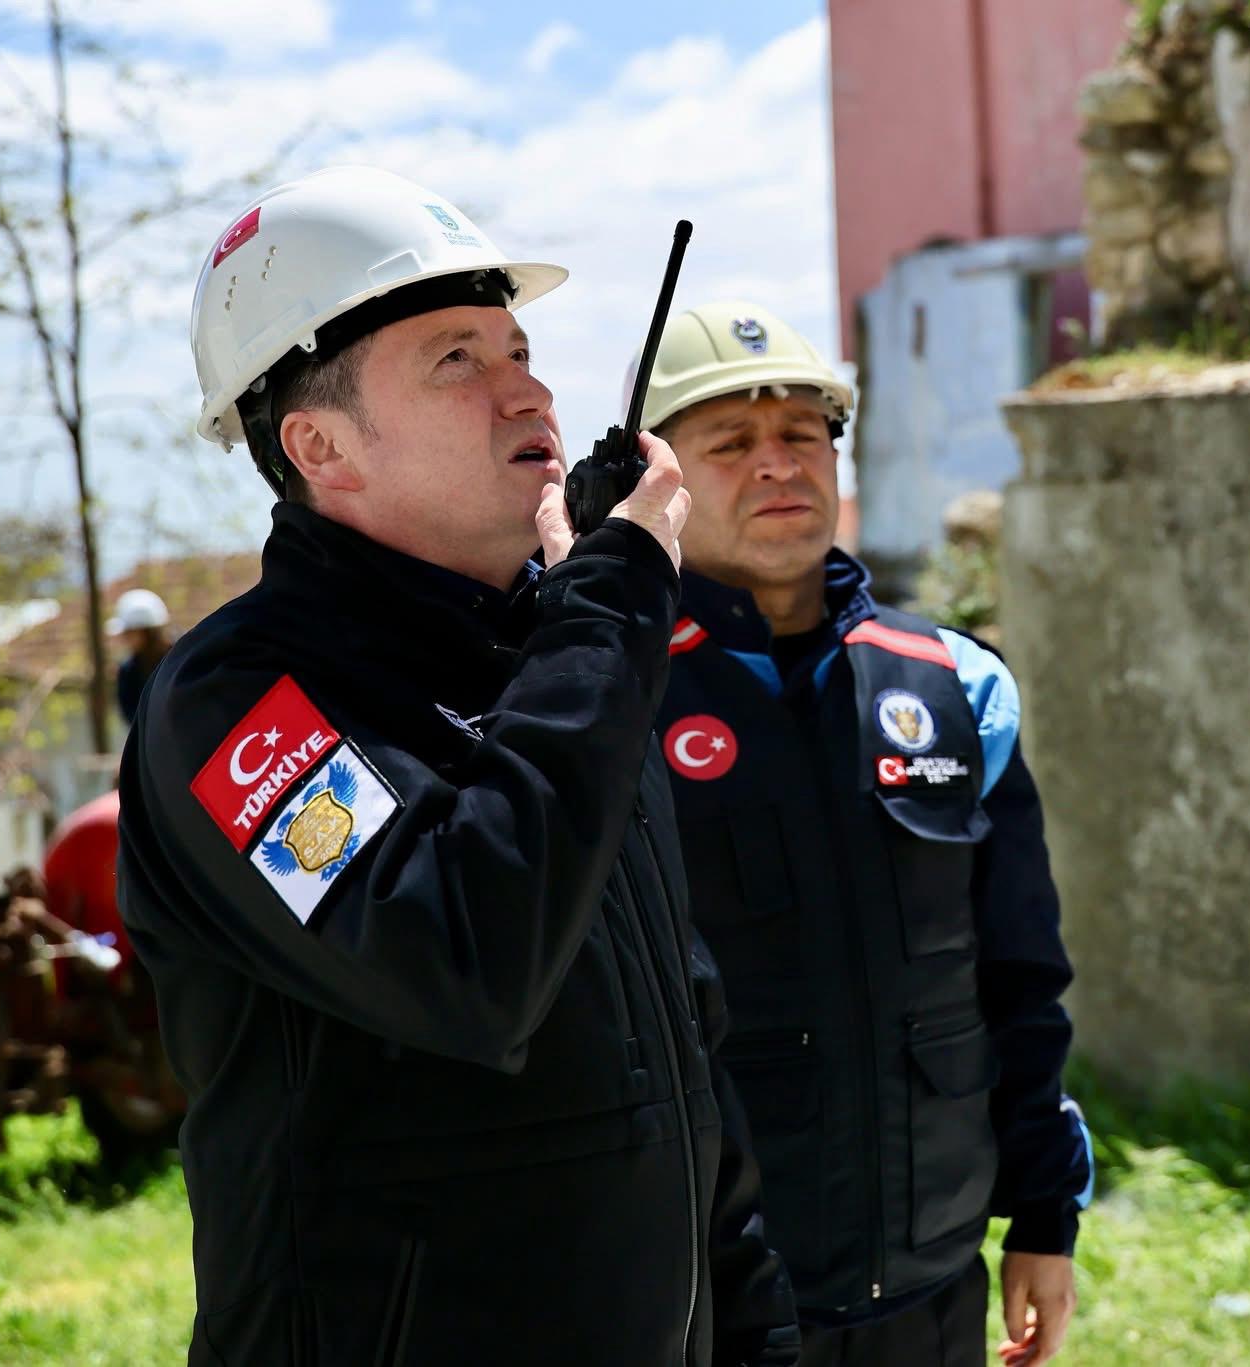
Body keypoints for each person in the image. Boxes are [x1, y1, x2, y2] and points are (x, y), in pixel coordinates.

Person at [114, 169, 798, 1366]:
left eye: (518, 348)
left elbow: (683, 1054)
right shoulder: (234, 706)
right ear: (320, 445)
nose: (527, 387)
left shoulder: (566, 663)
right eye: (455, 360)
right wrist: (607, 611)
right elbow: (469, 959)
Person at [639, 300, 1094, 1367]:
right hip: (707, 1293)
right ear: (660, 473)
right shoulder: (605, 694)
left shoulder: (953, 681)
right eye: (731, 441)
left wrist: (1042, 1212)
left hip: (928, 1281)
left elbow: (1017, 978)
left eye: (802, 432)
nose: (776, 464)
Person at [106, 587, 172, 724]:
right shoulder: (128, 672)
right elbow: (132, 719)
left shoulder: (183, 658)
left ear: (146, 632)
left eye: (129, 632)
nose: (125, 638)